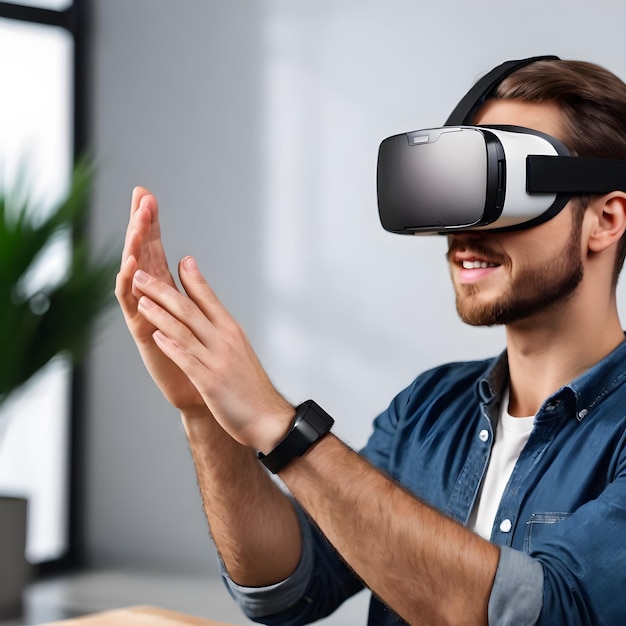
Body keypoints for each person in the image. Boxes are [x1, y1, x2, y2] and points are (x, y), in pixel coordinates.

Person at [116, 57, 626, 625]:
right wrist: (203, 410)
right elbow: (290, 587)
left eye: (498, 189)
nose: (460, 230)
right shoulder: (427, 410)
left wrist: (282, 429)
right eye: (451, 191)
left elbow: (546, 612)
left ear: (604, 220)